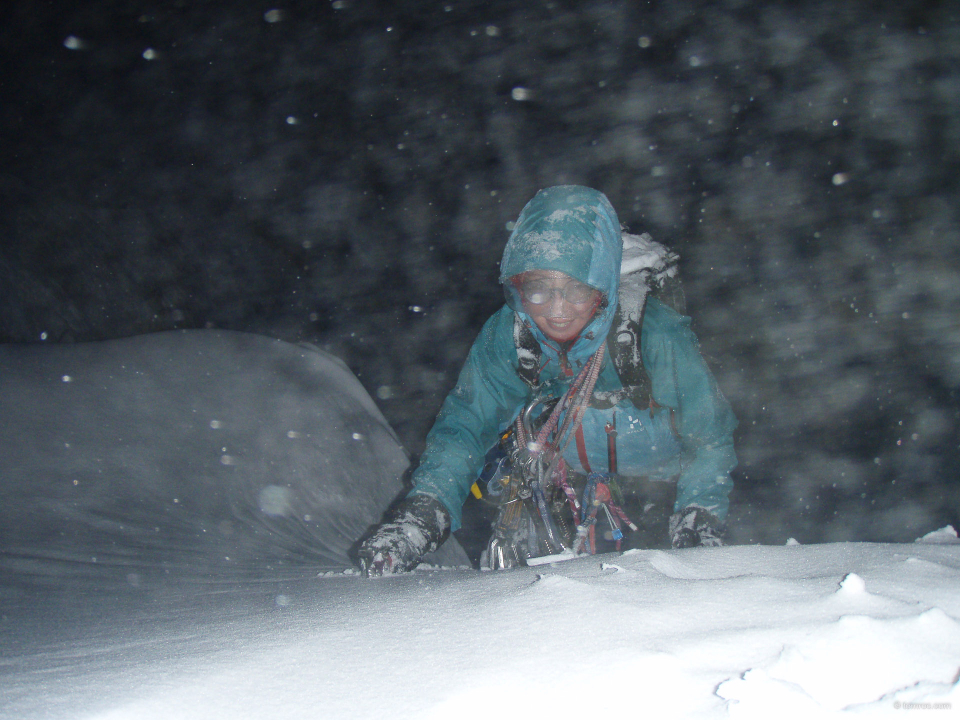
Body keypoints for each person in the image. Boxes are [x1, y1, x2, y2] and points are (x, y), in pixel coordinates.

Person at [357, 185, 737, 576]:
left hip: (663, 496)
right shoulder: (509, 335)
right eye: (539, 290)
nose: (557, 311)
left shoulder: (652, 333)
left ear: (603, 290)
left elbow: (708, 433)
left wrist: (699, 513)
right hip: (557, 497)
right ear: (519, 287)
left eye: (577, 290)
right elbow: (466, 425)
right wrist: (424, 513)